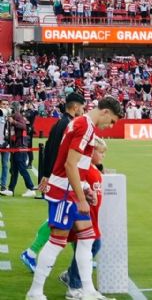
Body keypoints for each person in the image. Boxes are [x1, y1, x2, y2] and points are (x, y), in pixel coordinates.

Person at [26, 96, 123, 300]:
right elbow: (70, 165)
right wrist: (81, 198)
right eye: (112, 120)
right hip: (64, 192)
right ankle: (35, 292)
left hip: (70, 189)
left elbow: (78, 166)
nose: (111, 126)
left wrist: (85, 188)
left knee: (87, 239)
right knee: (56, 242)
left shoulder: (82, 124)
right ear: (105, 112)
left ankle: (87, 291)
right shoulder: (85, 126)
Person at [21, 92, 86, 272]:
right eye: (82, 107)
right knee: (59, 220)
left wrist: (46, 173)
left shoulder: (61, 123)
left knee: (70, 218)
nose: (83, 110)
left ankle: (81, 258)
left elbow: (49, 147)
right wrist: (48, 175)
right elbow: (54, 151)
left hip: (59, 178)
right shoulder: (68, 124)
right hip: (62, 180)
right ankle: (32, 253)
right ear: (75, 107)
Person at [61, 137, 108, 299]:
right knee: (92, 245)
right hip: (85, 215)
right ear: (91, 151)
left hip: (92, 215)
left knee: (88, 247)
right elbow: (77, 183)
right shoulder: (84, 168)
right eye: (100, 152)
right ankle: (74, 284)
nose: (103, 155)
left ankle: (71, 276)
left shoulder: (93, 168)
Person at [7, 102, 36, 197]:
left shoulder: (17, 116)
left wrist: (13, 122)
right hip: (17, 146)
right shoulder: (16, 115)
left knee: (22, 168)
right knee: (14, 169)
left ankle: (31, 188)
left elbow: (24, 126)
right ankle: (11, 189)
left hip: (20, 147)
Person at [0, 99, 12, 196]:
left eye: (7, 104)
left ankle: (3, 186)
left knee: (5, 165)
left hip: (6, 143)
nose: (5, 105)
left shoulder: (9, 116)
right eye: (3, 104)